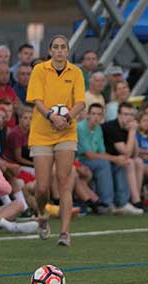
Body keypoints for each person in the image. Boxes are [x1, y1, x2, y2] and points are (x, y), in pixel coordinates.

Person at [26, 34, 86, 247]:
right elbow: (37, 101)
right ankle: (42, 213)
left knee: (63, 181)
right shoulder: (39, 70)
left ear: (68, 51)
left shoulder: (76, 72)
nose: (60, 51)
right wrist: (52, 117)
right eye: (56, 47)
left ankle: (64, 233)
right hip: (42, 132)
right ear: (50, 51)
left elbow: (80, 103)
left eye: (63, 47)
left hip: (66, 133)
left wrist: (66, 118)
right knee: (42, 188)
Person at [77, 103, 142, 215]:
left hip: (94, 160)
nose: (96, 117)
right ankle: (106, 204)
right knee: (104, 163)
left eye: (99, 114)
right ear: (88, 115)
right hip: (80, 161)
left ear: (103, 116)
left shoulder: (98, 129)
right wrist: (114, 158)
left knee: (121, 163)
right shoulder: (81, 128)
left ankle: (122, 202)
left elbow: (103, 152)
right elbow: (89, 154)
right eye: (93, 114)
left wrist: (117, 159)